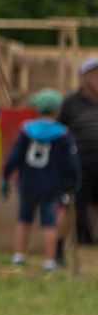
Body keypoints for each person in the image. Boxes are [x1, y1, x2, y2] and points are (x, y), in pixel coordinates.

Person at [2, 87, 80, 270]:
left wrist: (6, 176)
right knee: (49, 222)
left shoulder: (26, 129)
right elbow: (71, 163)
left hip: (27, 183)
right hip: (51, 186)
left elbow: (14, 156)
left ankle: (19, 255)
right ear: (56, 110)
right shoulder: (62, 133)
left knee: (23, 219)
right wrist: (74, 182)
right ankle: (49, 261)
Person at [57, 56, 98, 244]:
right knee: (77, 204)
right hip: (80, 166)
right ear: (84, 77)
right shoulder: (71, 103)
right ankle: (80, 239)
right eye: (94, 74)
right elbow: (61, 133)